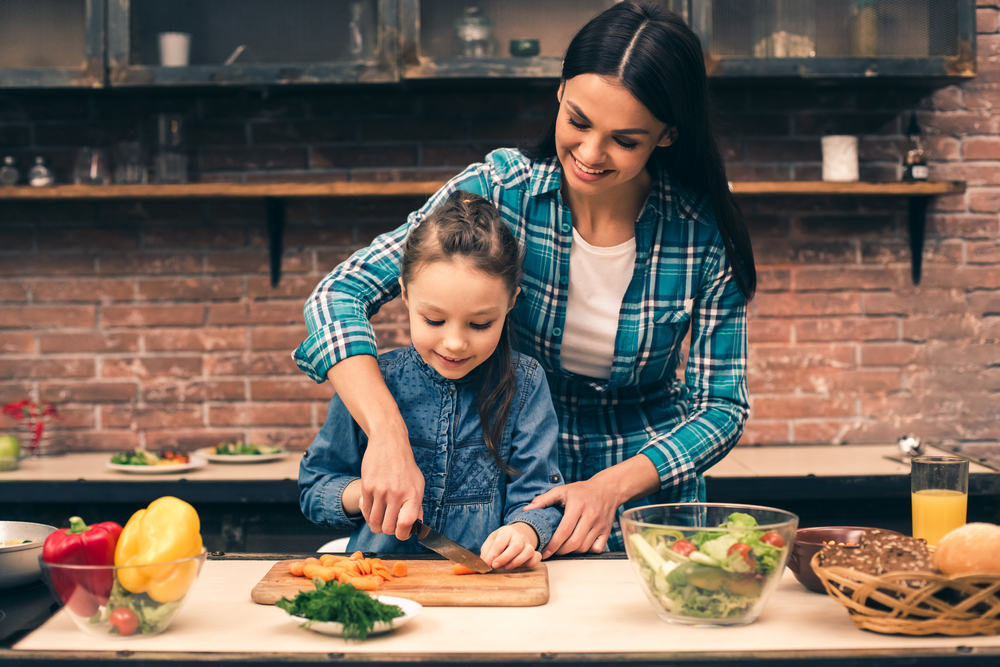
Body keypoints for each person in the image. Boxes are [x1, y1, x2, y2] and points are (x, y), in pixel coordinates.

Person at [294, 0, 755, 556]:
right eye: (578, 122)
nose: (589, 153)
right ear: (559, 93)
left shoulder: (702, 232)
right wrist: (387, 438)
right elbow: (337, 296)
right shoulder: (499, 190)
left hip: (647, 511)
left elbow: (721, 407)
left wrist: (612, 486)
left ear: (667, 136)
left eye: (625, 140)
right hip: (513, 502)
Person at [298, 192, 564, 571]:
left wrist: (524, 532)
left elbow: (538, 496)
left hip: (481, 589)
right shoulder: (370, 380)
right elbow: (314, 487)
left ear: (510, 304)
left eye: (480, 324)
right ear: (405, 296)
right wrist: (364, 495)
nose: (455, 343)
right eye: (434, 321)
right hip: (382, 584)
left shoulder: (526, 384)